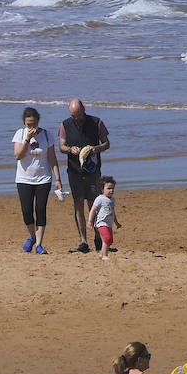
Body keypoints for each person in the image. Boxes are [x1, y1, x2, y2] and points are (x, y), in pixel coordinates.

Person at [58, 99, 111, 252]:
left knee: (94, 204)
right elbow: (61, 146)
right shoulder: (65, 125)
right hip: (74, 171)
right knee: (78, 203)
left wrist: (95, 149)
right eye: (73, 116)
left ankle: (97, 236)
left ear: (84, 110)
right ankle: (83, 241)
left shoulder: (96, 122)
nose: (76, 119)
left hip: (93, 171)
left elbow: (107, 143)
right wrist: (69, 150)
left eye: (79, 115)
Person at [12, 106, 62, 255]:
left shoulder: (47, 135)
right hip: (24, 179)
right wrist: (27, 139)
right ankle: (33, 236)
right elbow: (18, 156)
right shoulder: (20, 134)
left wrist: (58, 179)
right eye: (28, 124)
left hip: (43, 178)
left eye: (33, 123)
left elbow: (52, 158)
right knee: (26, 212)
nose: (31, 127)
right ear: (24, 123)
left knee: (40, 210)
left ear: (38, 121)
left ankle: (39, 244)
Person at [87, 176, 120, 260]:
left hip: (109, 224)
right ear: (102, 189)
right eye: (109, 188)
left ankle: (101, 254)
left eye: (112, 188)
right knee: (107, 238)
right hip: (101, 223)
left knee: (110, 240)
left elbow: (113, 212)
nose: (111, 190)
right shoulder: (100, 198)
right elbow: (93, 210)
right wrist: (90, 221)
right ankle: (105, 255)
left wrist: (116, 222)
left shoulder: (112, 200)